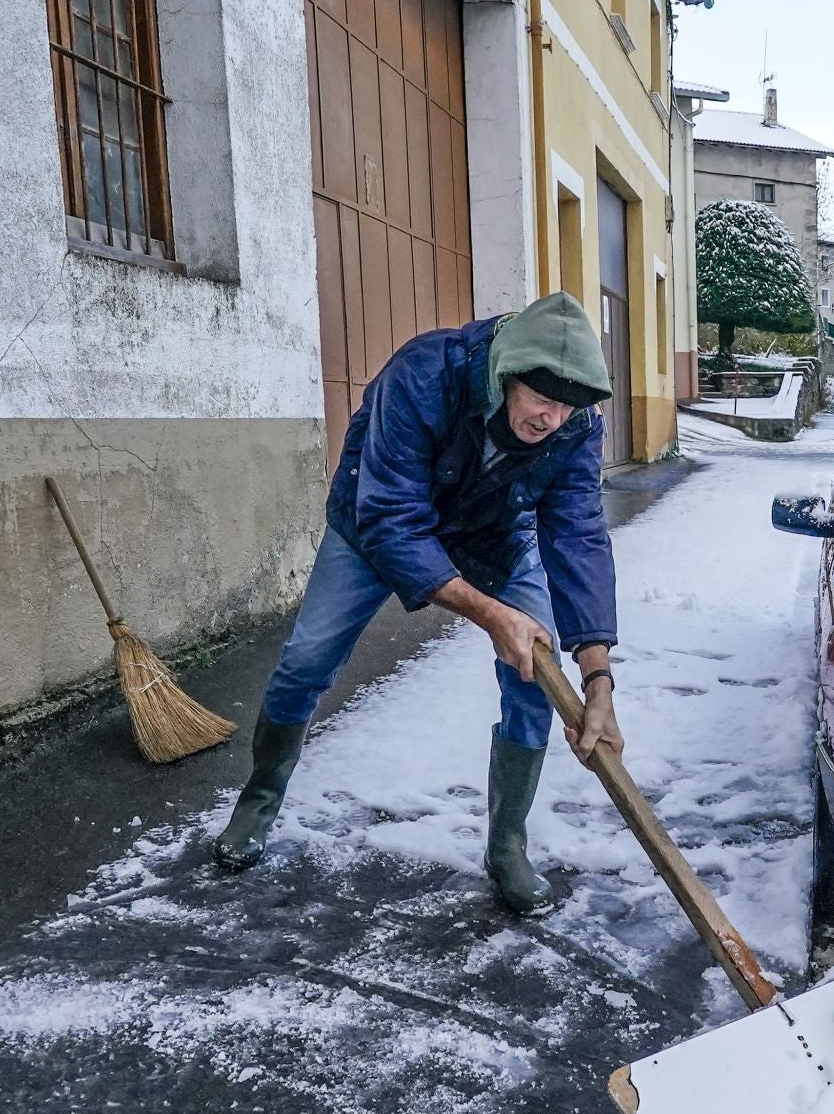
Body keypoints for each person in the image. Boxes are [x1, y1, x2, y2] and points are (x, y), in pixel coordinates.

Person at [214, 291, 623, 916]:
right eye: (542, 399)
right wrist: (490, 616)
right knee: (307, 660)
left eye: (567, 407)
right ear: (507, 375)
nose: (552, 419)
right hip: (374, 525)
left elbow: (577, 533)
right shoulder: (424, 376)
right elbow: (392, 520)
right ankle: (261, 795)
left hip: (492, 532)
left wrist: (597, 674)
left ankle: (506, 844)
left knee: (533, 678)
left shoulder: (575, 424)